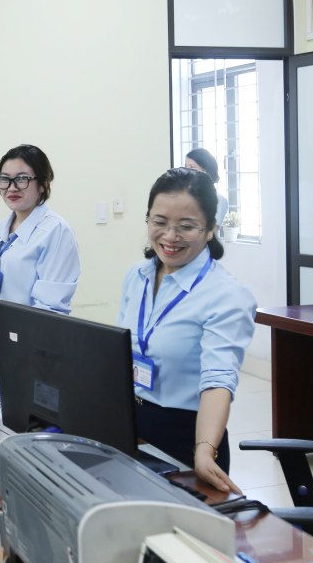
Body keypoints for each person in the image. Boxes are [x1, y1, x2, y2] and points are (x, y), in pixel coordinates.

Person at [117, 167, 255, 493]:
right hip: (129, 423)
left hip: (185, 434)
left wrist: (204, 450)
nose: (170, 236)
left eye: (187, 226)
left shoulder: (226, 295)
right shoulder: (136, 276)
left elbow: (218, 381)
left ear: (210, 230)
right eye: (160, 222)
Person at [0, 144, 80, 346]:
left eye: (22, 179)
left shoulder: (56, 231)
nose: (11, 187)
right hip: (2, 336)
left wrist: (18, 355)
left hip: (35, 344)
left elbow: (47, 310)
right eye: (4, 179)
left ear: (43, 183)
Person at [184, 148, 229, 229]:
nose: (187, 171)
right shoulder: (185, 194)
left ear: (205, 171)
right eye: (185, 166)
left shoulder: (219, 200)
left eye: (192, 167)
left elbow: (211, 234)